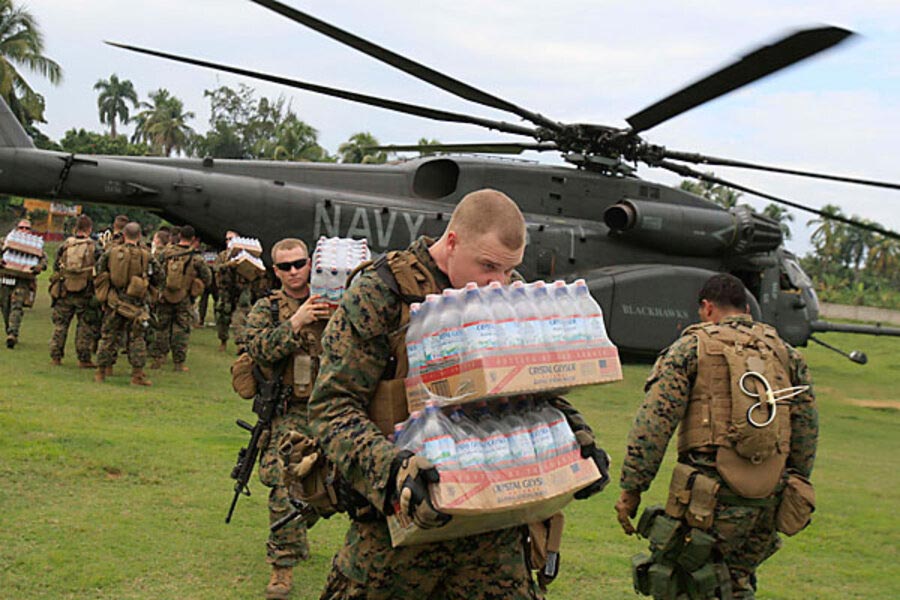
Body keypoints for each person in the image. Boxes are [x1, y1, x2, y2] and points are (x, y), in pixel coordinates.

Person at [308, 189, 609, 599]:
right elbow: (333, 407)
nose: (498, 282)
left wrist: (578, 440)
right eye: (487, 266)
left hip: (494, 538)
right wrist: (393, 469)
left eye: (509, 270)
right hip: (400, 535)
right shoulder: (381, 294)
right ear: (452, 242)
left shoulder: (508, 295)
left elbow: (532, 395)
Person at [615, 273, 818, 599]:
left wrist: (632, 489)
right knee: (736, 581)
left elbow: (654, 424)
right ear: (745, 309)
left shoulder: (691, 348)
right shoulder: (785, 354)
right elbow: (807, 428)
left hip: (706, 503)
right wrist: (795, 482)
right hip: (766, 501)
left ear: (708, 308)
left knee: (681, 583)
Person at [242, 237, 331, 600]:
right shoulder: (268, 308)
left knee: (336, 486)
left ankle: (298, 527)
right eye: (285, 266)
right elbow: (258, 348)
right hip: (291, 412)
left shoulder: (334, 298)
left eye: (300, 263)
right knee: (285, 483)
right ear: (275, 270)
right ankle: (282, 567)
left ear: (310, 263)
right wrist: (296, 322)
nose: (294, 272)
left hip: (333, 407)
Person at [94, 222, 161, 385]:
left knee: (109, 336)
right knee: (137, 338)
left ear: (124, 235)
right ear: (139, 236)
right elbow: (160, 276)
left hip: (114, 301)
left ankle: (101, 372)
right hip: (137, 303)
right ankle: (137, 375)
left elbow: (99, 270)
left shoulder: (111, 252)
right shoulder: (147, 256)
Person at [148, 225, 212, 371]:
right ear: (193, 239)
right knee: (181, 330)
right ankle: (179, 363)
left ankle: (158, 358)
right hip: (184, 298)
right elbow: (207, 278)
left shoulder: (165, 254)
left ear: (179, 236)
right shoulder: (196, 258)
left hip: (164, 297)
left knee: (162, 328)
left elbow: (155, 272)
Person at [49, 214, 100, 367]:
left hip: (64, 290)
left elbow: (56, 267)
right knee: (85, 326)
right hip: (85, 292)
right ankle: (83, 359)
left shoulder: (65, 245)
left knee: (60, 325)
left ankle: (56, 356)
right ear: (89, 229)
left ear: (75, 228)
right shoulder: (95, 247)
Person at [215, 230, 269, 353]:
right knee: (222, 318)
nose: (229, 241)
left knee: (239, 318)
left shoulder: (248, 256)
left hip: (242, 292)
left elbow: (258, 273)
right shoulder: (223, 256)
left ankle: (241, 344)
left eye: (231, 239)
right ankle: (223, 340)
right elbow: (216, 268)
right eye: (227, 239)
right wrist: (230, 265)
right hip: (226, 292)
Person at [1, 218, 48, 348]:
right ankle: (9, 329)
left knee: (17, 305)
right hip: (6, 278)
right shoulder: (6, 240)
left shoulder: (34, 244)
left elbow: (44, 260)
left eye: (27, 228)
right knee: (5, 306)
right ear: (17, 228)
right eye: (22, 227)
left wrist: (39, 267)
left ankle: (12, 333)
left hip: (23, 280)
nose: (24, 230)